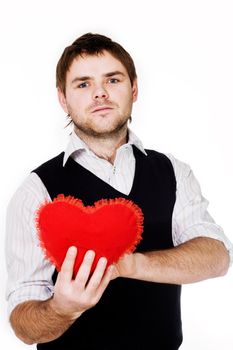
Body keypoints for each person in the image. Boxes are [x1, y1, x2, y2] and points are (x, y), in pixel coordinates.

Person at [5, 33, 232, 350]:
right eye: (83, 84)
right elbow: (24, 326)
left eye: (112, 80)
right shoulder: (36, 190)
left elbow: (217, 257)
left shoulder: (173, 172)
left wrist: (128, 265)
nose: (99, 93)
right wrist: (62, 309)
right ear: (63, 98)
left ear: (134, 89)